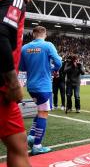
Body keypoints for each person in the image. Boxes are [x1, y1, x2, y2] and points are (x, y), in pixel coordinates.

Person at [0, 0, 39, 167]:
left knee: (19, 143)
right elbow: (1, 36)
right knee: (18, 146)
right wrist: (13, 82)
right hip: (3, 89)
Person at [20, 26, 62, 155]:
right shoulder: (48, 45)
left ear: (33, 34)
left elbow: (21, 66)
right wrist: (52, 69)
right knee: (43, 113)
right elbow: (58, 63)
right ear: (45, 34)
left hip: (31, 86)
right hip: (43, 86)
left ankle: (32, 137)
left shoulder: (24, 48)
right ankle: (37, 146)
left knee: (40, 111)